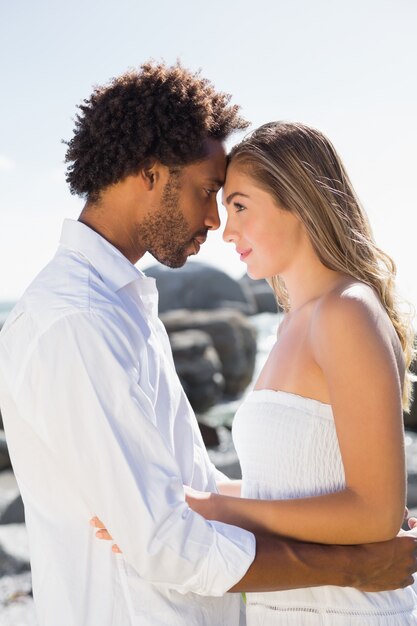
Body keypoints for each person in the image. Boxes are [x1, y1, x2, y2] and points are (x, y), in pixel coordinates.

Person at [0, 64, 416, 626]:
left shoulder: (123, 306)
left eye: (233, 202)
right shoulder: (77, 319)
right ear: (150, 175)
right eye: (206, 192)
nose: (215, 220)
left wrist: (223, 504)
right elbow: (165, 540)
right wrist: (354, 567)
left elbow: (195, 488)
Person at [181, 121, 417, 624]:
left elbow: (375, 513)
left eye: (240, 206)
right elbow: (285, 489)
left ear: (300, 200)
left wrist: (219, 510)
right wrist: (171, 500)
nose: (226, 230)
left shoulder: (346, 312)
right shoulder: (296, 322)